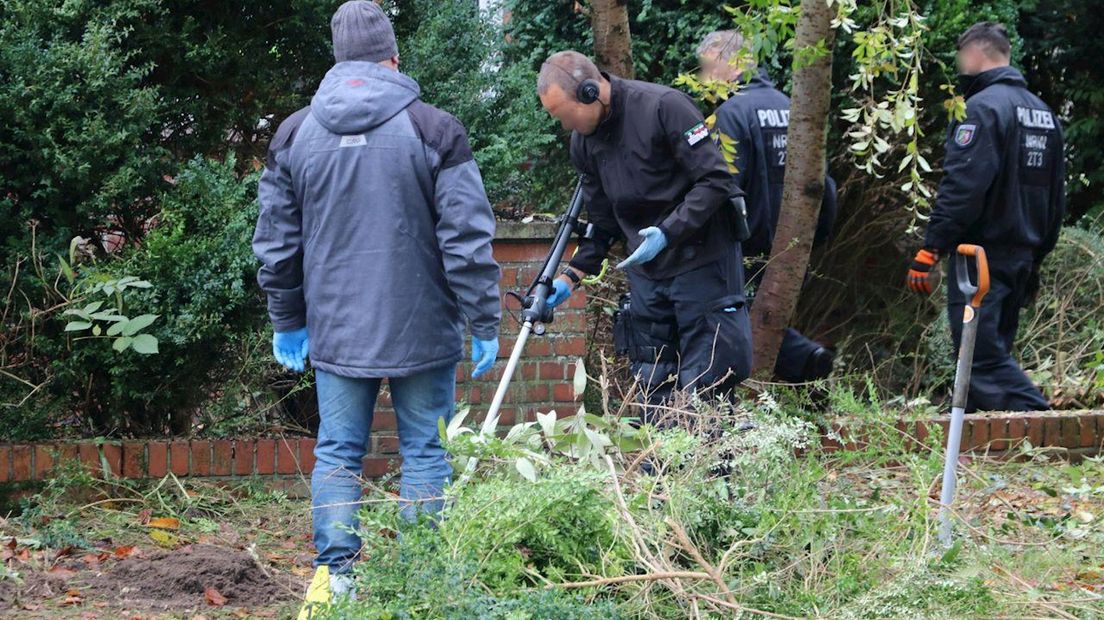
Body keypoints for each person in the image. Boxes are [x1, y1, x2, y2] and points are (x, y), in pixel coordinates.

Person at [251, 0, 502, 608]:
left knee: (339, 451)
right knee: (423, 450)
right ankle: (420, 581)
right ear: (394, 56)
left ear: (337, 59)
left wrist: (288, 318)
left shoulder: (293, 134)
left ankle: (335, 577)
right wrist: (484, 317)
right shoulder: (435, 128)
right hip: (422, 329)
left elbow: (276, 240)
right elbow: (465, 238)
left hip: (337, 330)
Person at [537, 51, 752, 416]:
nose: (567, 127)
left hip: (702, 263)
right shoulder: (584, 144)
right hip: (647, 274)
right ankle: (660, 468)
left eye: (567, 115)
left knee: (707, 381)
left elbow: (715, 181)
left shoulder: (664, 107)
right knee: (653, 378)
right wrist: (571, 276)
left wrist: (668, 232)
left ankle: (710, 469)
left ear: (591, 93)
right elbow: (602, 220)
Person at [906, 22, 1064, 412]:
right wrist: (1038, 255)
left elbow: (964, 186)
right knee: (990, 352)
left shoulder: (981, 108)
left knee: (979, 359)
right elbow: (1056, 196)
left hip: (980, 256)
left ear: (975, 54)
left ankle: (1043, 424)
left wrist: (932, 248)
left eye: (961, 57)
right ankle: (983, 447)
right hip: (1022, 255)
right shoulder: (1043, 113)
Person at [698, 30, 838, 383]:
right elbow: (825, 186)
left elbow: (722, 188)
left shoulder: (729, 115)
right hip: (792, 246)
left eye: (705, 69)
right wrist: (816, 239)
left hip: (747, 247)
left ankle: (805, 359)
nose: (702, 80)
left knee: (734, 325)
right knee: (763, 324)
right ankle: (802, 372)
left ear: (728, 64)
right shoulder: (793, 108)